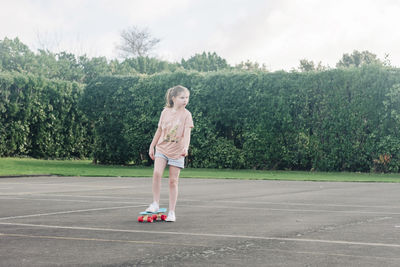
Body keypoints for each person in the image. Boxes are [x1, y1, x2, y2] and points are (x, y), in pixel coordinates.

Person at [146, 85, 194, 222]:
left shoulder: (187, 115)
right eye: (182, 97)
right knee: (157, 173)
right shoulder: (165, 112)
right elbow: (159, 130)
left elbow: (187, 134)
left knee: (173, 181)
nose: (185, 100)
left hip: (178, 152)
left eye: (187, 98)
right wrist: (152, 145)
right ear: (173, 98)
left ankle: (172, 212)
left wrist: (186, 147)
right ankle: (155, 203)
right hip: (162, 148)